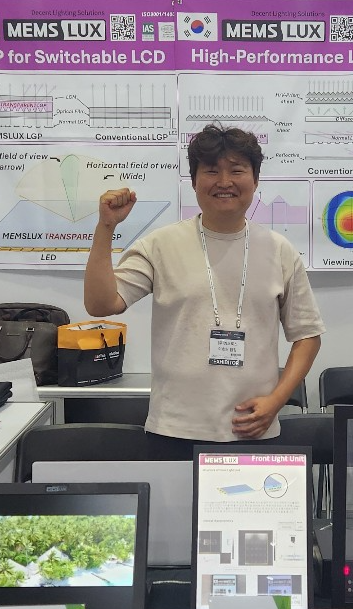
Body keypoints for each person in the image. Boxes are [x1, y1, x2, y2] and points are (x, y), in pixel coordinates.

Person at [84, 124, 324, 458]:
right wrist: (106, 226)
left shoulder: (279, 250)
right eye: (211, 170)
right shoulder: (161, 245)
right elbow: (101, 304)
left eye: (237, 170)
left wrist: (276, 401)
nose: (224, 182)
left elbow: (308, 335)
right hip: (174, 430)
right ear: (194, 181)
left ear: (255, 180)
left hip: (253, 429)